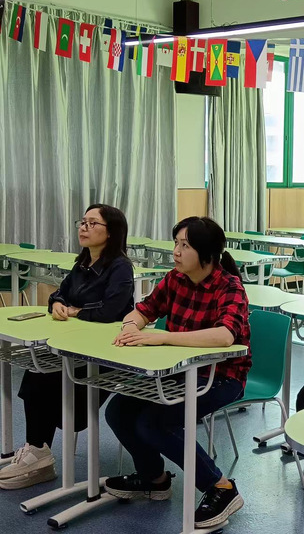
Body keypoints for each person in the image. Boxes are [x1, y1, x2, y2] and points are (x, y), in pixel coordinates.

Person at [104, 217, 252, 530]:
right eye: (176, 243)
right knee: (118, 411)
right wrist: (131, 327)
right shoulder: (175, 279)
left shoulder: (229, 287)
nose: (176, 252)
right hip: (178, 372)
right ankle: (154, 479)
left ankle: (221, 487)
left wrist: (162, 338)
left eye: (185, 245)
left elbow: (224, 335)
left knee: (155, 422)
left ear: (206, 253)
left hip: (221, 377)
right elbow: (144, 310)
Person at [0, 204, 134, 491]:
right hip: (75, 345)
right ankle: (37, 451)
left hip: (105, 353)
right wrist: (58, 303)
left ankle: (38, 453)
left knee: (45, 377)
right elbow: (59, 293)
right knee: (38, 370)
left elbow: (111, 310)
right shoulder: (82, 263)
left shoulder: (120, 267)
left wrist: (75, 311)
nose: (83, 228)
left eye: (92, 223)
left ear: (111, 232)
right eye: (82, 222)